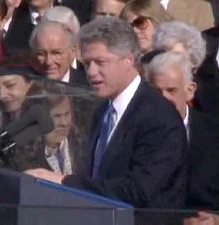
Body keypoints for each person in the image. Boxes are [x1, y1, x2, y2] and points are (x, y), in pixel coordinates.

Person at [25, 17, 188, 208]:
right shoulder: (103, 109)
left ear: (128, 60)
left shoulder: (159, 117)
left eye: (100, 62)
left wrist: (64, 182)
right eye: (87, 63)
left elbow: (138, 190)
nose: (91, 72)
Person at [146, 51, 219, 209]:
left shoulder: (214, 133)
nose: (164, 98)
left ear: (190, 90)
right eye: (157, 92)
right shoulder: (133, 132)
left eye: (172, 91)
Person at [29, 21, 88, 86]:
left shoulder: (89, 86)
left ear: (73, 52)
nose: (48, 62)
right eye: (41, 54)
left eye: (56, 53)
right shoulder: (25, 86)